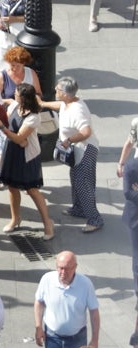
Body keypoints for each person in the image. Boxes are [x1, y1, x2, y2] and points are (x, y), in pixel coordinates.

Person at [38, 77, 103, 232]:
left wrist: (68, 140)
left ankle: (95, 219)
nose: (55, 90)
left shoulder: (77, 110)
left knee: (83, 184)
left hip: (85, 150)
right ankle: (78, 209)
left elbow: (86, 132)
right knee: (75, 179)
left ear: (66, 94)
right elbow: (59, 106)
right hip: (77, 150)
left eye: (58, 89)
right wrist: (42, 104)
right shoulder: (68, 103)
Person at [0, 82, 55, 238]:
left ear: (24, 99)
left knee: (32, 190)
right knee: (12, 187)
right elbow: (7, 120)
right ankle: (15, 219)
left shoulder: (33, 117)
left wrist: (1, 127)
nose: (14, 95)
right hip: (12, 151)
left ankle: (48, 224)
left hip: (27, 156)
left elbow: (19, 136)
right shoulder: (14, 106)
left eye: (17, 94)